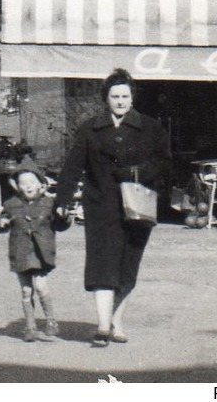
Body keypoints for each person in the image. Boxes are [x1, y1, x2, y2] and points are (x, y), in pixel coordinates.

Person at [53, 68, 170, 348]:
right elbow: (72, 167)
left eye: (125, 96)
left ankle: (117, 320)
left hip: (137, 208)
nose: (120, 101)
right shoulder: (89, 129)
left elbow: (165, 162)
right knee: (102, 265)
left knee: (127, 267)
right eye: (114, 96)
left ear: (133, 98)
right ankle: (104, 326)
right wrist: (62, 201)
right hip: (100, 206)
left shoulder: (151, 128)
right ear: (105, 98)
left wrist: (138, 173)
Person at [0, 159, 63, 342]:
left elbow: (60, 224)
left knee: (40, 287)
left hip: (40, 252)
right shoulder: (11, 204)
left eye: (32, 182)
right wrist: (0, 223)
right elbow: (0, 224)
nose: (28, 186)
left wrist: (65, 217)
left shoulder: (49, 204)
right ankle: (30, 326)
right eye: (23, 183)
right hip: (20, 251)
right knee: (25, 290)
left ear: (40, 184)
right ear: (17, 186)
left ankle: (51, 321)